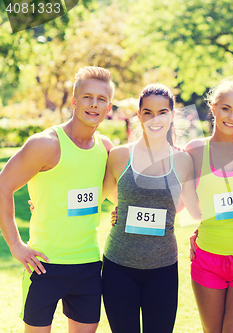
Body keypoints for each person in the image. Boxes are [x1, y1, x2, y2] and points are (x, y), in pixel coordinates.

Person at [0, 66, 115, 333]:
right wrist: (16, 245)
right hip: (45, 264)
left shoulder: (106, 148)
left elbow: (121, 195)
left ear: (109, 107)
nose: (94, 104)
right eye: (87, 97)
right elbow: (3, 186)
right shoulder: (46, 144)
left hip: (88, 265)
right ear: (74, 101)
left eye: (101, 99)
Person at [101, 83, 200, 333]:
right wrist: (46, 200)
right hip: (118, 266)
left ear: (172, 115)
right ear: (139, 114)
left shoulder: (183, 160)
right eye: (148, 113)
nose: (155, 119)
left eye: (162, 112)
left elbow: (193, 211)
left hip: (163, 269)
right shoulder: (120, 155)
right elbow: (100, 196)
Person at [185, 79, 233, 333]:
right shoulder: (195, 151)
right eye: (226, 109)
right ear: (213, 108)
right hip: (208, 258)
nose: (232, 117)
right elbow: (184, 204)